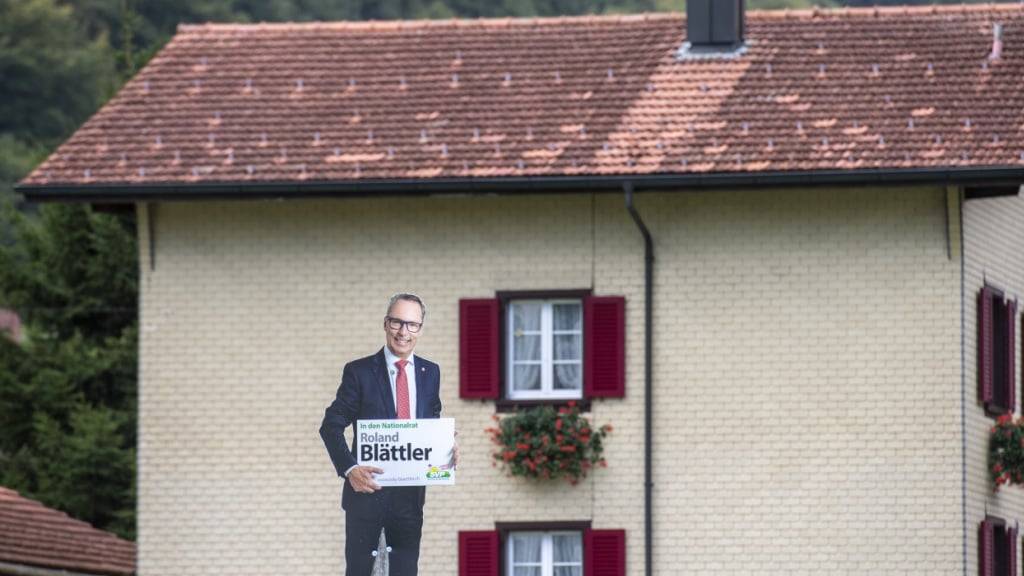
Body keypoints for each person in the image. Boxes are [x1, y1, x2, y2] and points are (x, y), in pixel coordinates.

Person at [319, 293, 453, 576]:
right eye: (397, 322)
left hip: (410, 500)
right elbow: (331, 425)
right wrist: (350, 469)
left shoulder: (431, 372)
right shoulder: (359, 371)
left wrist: (446, 449)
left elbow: (430, 424)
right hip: (366, 493)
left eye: (412, 324)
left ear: (420, 329)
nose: (404, 332)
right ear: (385, 323)